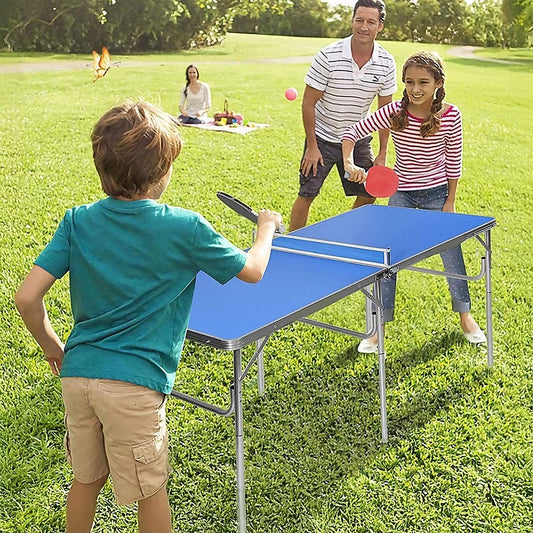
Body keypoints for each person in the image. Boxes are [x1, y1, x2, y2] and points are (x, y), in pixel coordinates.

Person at [14, 100, 282, 533]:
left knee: (86, 480)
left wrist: (53, 348)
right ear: (162, 172)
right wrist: (265, 228)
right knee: (150, 491)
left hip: (77, 378)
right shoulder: (186, 227)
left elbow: (27, 298)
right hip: (135, 386)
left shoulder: (78, 221)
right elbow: (252, 270)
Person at [342, 51, 487, 353]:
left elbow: (454, 161)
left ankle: (465, 316)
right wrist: (348, 162)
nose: (415, 89)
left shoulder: (451, 115)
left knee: (451, 252)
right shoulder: (395, 111)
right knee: (387, 258)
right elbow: (352, 132)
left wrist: (450, 201)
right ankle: (378, 329)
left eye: (423, 82)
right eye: (409, 82)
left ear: (438, 83)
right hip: (403, 193)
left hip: (437, 193)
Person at [288, 0, 397, 232]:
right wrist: (312, 147)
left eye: (371, 22)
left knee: (369, 193)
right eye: (359, 20)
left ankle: (344, 234)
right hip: (323, 138)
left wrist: (383, 152)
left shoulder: (386, 62)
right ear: (352, 21)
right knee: (307, 194)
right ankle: (290, 243)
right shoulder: (328, 56)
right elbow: (308, 103)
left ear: (380, 26)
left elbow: (385, 112)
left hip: (359, 139)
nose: (364, 27)